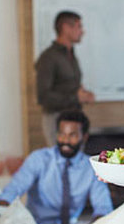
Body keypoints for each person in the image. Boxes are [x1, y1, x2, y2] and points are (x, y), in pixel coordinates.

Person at [0, 110, 113, 224]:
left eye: (72, 135)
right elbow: (15, 187)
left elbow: (103, 206)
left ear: (84, 137)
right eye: (62, 134)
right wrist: (2, 207)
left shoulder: (92, 166)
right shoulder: (39, 159)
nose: (65, 141)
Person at [35, 11, 95, 146]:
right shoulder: (48, 57)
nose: (82, 31)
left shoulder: (71, 54)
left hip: (75, 117)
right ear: (66, 28)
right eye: (79, 27)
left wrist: (83, 95)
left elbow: (68, 86)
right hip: (56, 120)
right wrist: (76, 97)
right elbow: (43, 97)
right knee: (61, 163)